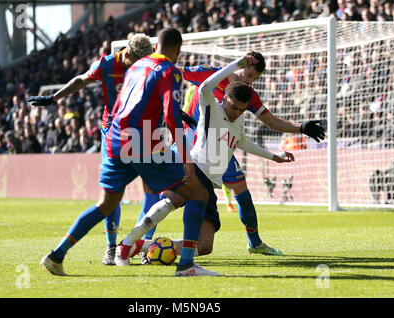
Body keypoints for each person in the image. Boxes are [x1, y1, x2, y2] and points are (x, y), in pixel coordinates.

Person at [39, 28, 218, 277]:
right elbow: (170, 116)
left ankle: (56, 255)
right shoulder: (169, 72)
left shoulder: (134, 68)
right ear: (178, 50)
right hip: (143, 140)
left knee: (105, 204)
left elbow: (119, 104)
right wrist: (186, 161)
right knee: (198, 193)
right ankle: (186, 265)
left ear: (156, 45)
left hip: (114, 138)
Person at [115, 55, 294, 265]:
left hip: (209, 183)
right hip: (193, 169)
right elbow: (205, 86)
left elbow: (244, 143)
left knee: (205, 247)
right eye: (233, 106)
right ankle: (126, 245)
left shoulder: (238, 122)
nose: (236, 112)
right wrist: (236, 65)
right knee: (171, 200)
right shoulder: (211, 106)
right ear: (224, 98)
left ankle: (145, 246)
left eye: (241, 109)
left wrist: (275, 157)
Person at [173, 51, 325, 256]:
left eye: (254, 78)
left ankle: (255, 243)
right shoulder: (211, 74)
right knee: (171, 196)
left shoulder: (248, 95)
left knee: (243, 194)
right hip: (192, 144)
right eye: (248, 74)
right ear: (241, 64)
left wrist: (302, 127)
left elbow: (271, 121)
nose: (249, 80)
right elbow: (174, 74)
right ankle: (142, 240)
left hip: (222, 149)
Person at [27, 34, 154, 265]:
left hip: (144, 134)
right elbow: (81, 80)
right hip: (114, 135)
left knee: (154, 190)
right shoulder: (107, 64)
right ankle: (112, 247)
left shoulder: (149, 65)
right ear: (126, 53)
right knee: (112, 198)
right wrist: (54, 98)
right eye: (136, 61)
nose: (140, 67)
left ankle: (144, 246)